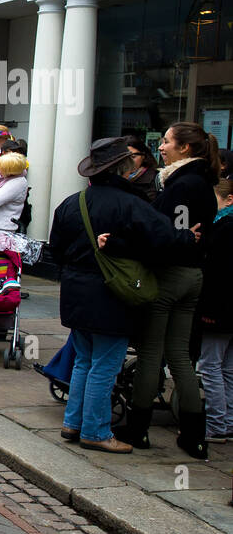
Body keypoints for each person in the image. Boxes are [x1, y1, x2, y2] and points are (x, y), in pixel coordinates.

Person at [49, 137, 196, 454]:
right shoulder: (130, 204)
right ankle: (95, 431)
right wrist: (188, 237)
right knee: (104, 365)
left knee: (84, 362)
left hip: (77, 291)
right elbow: (164, 239)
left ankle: (73, 423)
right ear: (123, 168)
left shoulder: (71, 203)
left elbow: (56, 251)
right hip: (111, 294)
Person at [118, 121, 218, 459]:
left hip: (169, 275)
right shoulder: (203, 182)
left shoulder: (181, 184)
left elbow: (159, 232)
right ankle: (194, 437)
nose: (160, 146)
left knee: (150, 354)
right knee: (179, 355)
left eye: (166, 141)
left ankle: (137, 429)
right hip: (194, 275)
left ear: (185, 148)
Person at [197, 179, 233, 444]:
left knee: (211, 366)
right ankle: (228, 422)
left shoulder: (224, 228)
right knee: (228, 368)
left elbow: (216, 274)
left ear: (228, 200)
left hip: (219, 309)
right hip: (228, 310)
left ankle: (217, 425)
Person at [123, 135, 159, 202]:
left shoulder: (156, 179)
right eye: (124, 157)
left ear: (144, 156)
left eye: (133, 157)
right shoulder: (113, 178)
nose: (128, 161)